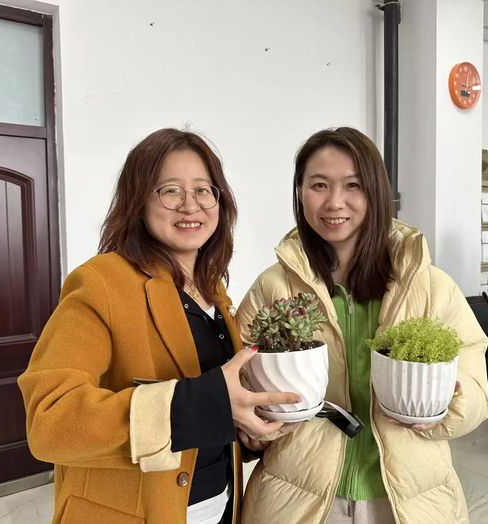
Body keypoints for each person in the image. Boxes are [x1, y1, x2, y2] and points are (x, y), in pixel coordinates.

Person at [18, 128, 299, 524]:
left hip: (219, 505)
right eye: (170, 191)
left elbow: (213, 403)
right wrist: (202, 405)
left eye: (203, 190)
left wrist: (243, 428)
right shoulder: (100, 282)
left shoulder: (213, 290)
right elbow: (50, 421)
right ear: (138, 201)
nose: (190, 205)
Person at [236, 127, 488, 523]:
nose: (334, 202)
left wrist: (446, 406)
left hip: (407, 500)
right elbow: (240, 381)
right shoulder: (272, 287)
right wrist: (253, 424)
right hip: (298, 497)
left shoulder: (429, 285)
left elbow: (475, 384)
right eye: (319, 185)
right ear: (299, 192)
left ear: (375, 192)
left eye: (352, 185)